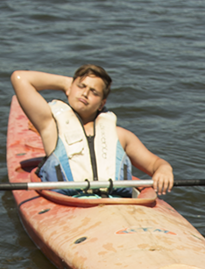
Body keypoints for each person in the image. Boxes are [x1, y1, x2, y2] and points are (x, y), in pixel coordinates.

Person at [11, 64, 174, 197]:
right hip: (71, 204)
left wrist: (164, 169)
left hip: (118, 206)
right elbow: (20, 78)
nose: (85, 93)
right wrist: (66, 83)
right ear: (69, 88)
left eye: (94, 92)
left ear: (102, 103)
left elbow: (155, 163)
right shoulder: (50, 126)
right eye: (81, 86)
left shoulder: (121, 136)